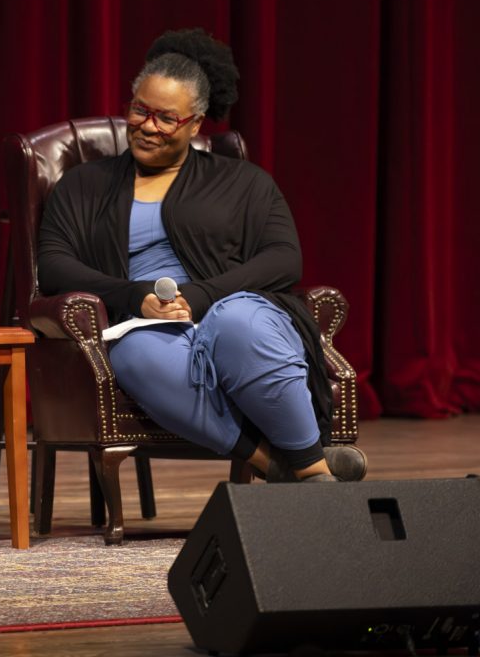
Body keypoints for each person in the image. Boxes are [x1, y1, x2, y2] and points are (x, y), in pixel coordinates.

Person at [37, 29, 366, 482]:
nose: (147, 126)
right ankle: (289, 470)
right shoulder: (84, 184)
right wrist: (135, 297)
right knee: (134, 356)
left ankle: (307, 461)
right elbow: (54, 263)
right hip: (145, 322)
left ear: (195, 123)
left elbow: (283, 259)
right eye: (140, 110)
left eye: (166, 118)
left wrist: (201, 295)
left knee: (237, 324)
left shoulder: (243, 182)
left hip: (233, 305)